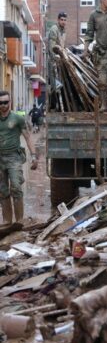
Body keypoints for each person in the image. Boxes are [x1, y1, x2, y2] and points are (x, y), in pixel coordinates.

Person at [0, 91, 38, 224]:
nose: (3, 105)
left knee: (16, 187)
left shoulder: (17, 119)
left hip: (13, 158)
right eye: (1, 103)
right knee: (2, 191)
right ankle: (7, 222)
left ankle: (19, 221)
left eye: (6, 102)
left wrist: (34, 156)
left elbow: (28, 137)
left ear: (10, 102)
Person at [47, 12, 67, 105]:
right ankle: (54, 106)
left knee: (61, 85)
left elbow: (62, 46)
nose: (63, 22)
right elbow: (52, 47)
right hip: (54, 62)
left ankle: (60, 104)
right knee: (55, 86)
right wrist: (55, 59)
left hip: (60, 62)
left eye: (65, 20)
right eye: (62, 20)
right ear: (58, 20)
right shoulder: (54, 29)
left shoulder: (63, 31)